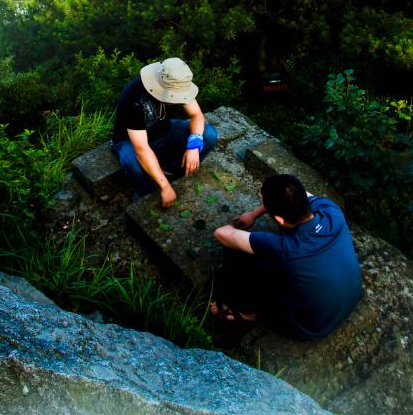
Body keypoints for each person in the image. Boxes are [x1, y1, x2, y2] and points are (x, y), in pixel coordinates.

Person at [211, 173, 363, 339]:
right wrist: (253, 214)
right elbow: (301, 195)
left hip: (308, 327)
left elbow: (222, 234)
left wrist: (247, 221)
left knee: (237, 252)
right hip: (350, 299)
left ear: (279, 219)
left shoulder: (285, 248)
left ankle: (248, 313)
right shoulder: (331, 210)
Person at [112, 57, 218, 207]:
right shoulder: (134, 97)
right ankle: (146, 191)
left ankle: (172, 171)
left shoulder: (177, 81)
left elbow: (196, 115)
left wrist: (194, 144)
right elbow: (141, 149)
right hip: (131, 141)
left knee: (208, 135)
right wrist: (165, 187)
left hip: (164, 131)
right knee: (133, 164)